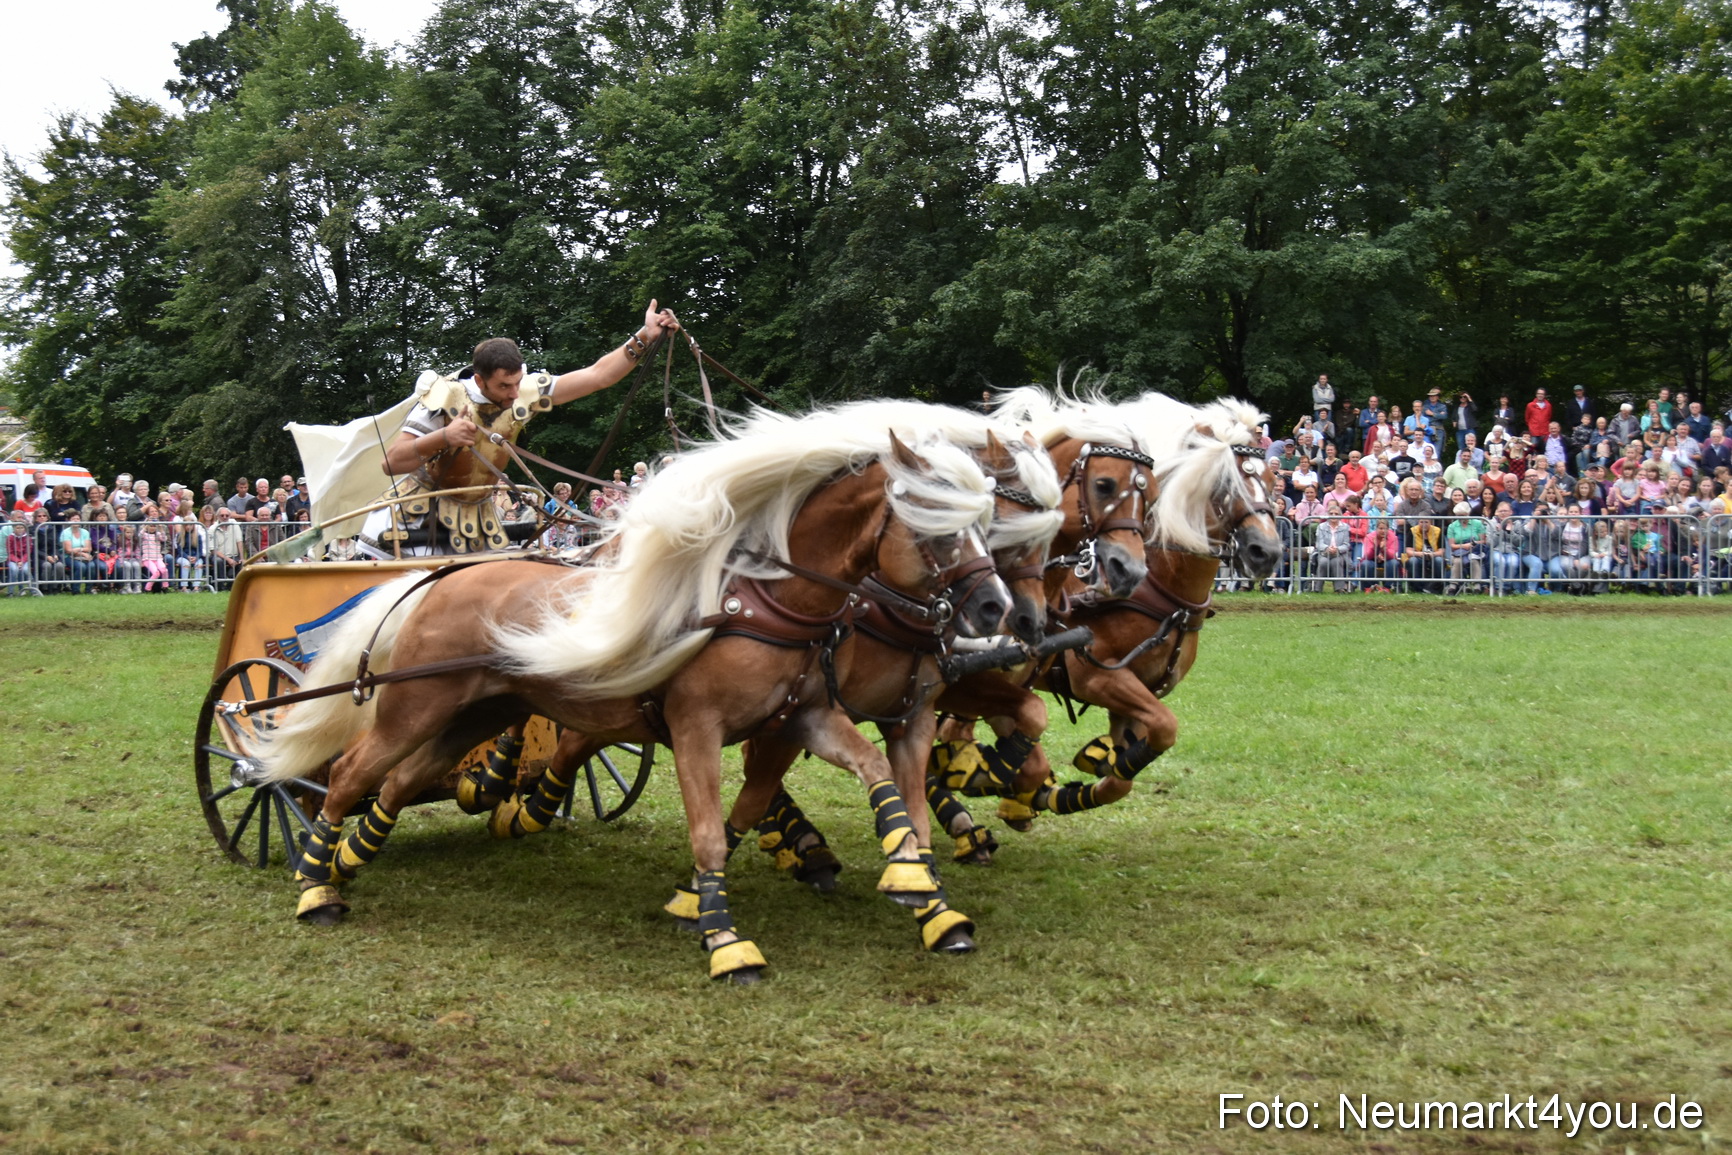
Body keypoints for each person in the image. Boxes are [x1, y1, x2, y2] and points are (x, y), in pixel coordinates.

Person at [362, 305, 681, 558]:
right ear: (479, 379)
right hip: (416, 523)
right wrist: (444, 437)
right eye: (504, 385)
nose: (514, 394)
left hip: (476, 520)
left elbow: (598, 376)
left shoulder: (522, 391)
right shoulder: (446, 398)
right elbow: (391, 463)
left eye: (517, 383)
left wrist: (645, 336)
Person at [1445, 501, 1485, 594]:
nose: (1460, 517)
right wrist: (1464, 546)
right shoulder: (1452, 526)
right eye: (1458, 515)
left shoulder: (1477, 523)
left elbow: (1483, 541)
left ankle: (1476, 587)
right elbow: (1452, 546)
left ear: (1468, 513)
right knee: (1457, 561)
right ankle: (1453, 586)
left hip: (1475, 550)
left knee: (1474, 560)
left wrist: (1473, 544)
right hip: (1458, 552)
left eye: (1462, 515)